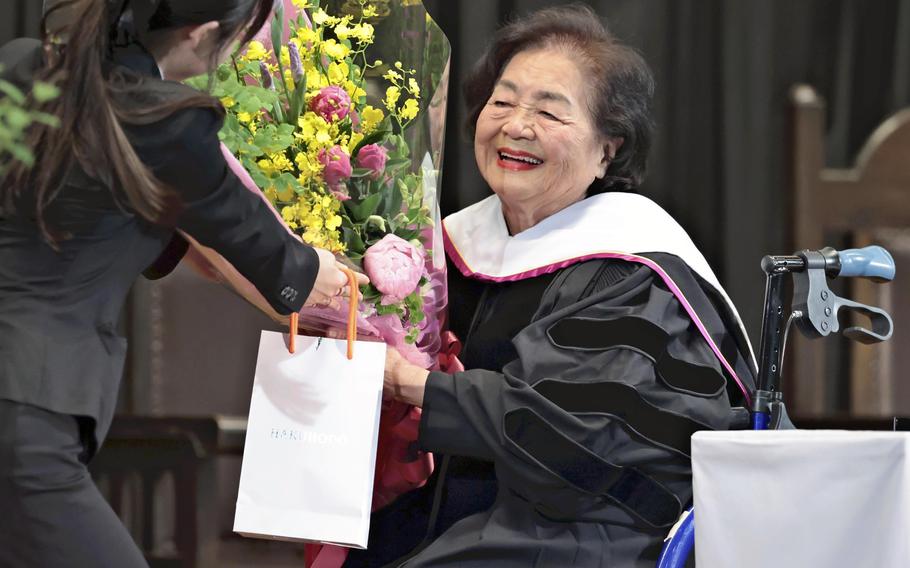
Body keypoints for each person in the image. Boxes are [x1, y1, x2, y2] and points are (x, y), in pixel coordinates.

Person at [348, 5, 757, 567]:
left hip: (568, 538)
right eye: (503, 101)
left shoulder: (632, 271)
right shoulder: (446, 251)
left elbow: (580, 439)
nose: (516, 125)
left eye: (550, 112)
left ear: (607, 148)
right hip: (442, 521)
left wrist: (406, 383)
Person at [0, 0, 367, 566]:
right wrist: (323, 274)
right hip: (27, 408)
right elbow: (256, 243)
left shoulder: (23, 65)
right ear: (201, 33)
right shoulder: (167, 121)